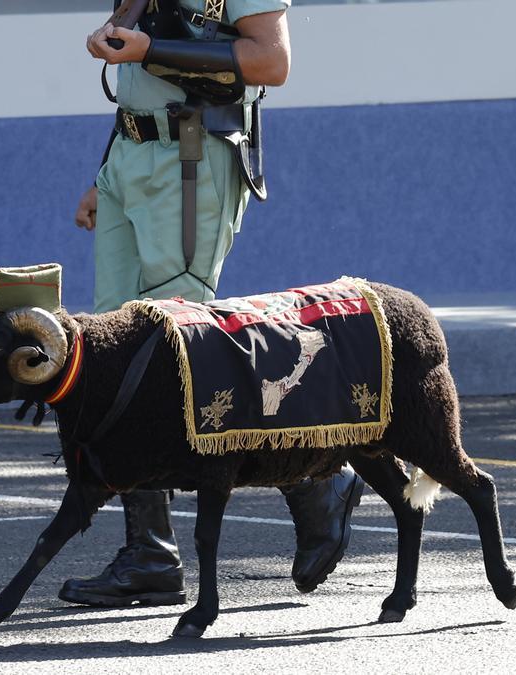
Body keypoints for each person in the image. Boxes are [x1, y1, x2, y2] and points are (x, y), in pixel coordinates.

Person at [61, 0, 363, 610]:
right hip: (132, 155)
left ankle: (318, 482)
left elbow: (271, 62)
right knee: (115, 355)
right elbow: (138, 74)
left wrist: (149, 52)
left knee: (182, 358)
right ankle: (150, 552)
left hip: (192, 158)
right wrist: (107, 172)